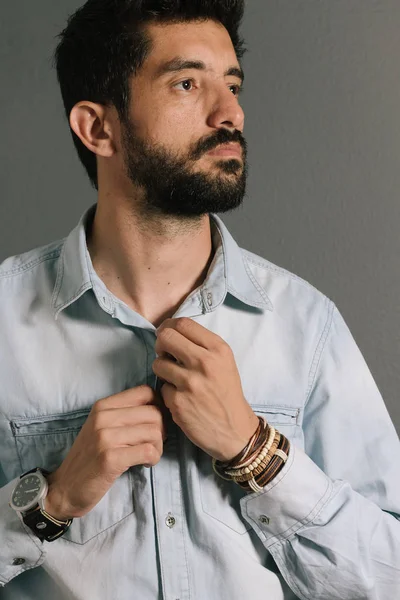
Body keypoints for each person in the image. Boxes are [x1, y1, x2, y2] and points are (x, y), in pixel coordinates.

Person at [0, 0, 399, 598]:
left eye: (232, 84)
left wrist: (256, 452)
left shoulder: (305, 324)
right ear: (97, 127)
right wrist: (49, 501)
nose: (230, 112)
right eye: (187, 83)